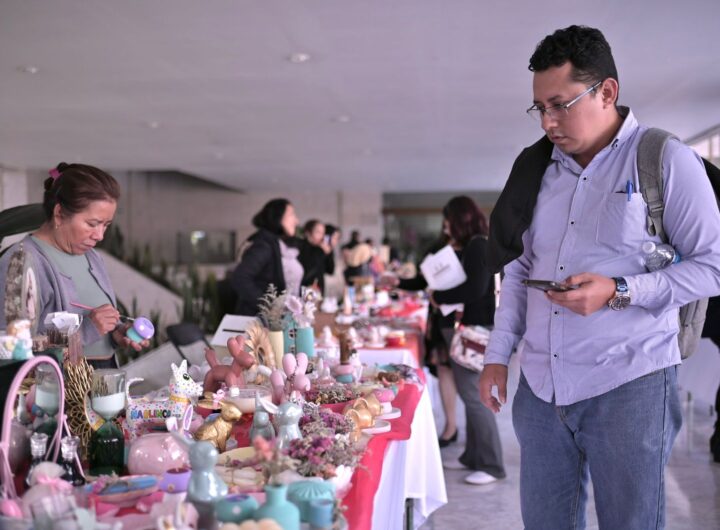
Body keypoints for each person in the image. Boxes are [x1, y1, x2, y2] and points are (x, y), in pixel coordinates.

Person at [480, 26, 720, 529]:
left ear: (607, 92)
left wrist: (621, 291)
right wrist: (498, 356)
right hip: (542, 390)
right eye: (539, 108)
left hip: (630, 384)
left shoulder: (666, 160)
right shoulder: (537, 170)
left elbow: (712, 266)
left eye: (560, 104)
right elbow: (520, 267)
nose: (547, 122)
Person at [0, 163, 150, 368]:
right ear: (60, 213)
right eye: (92, 224)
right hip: (55, 393)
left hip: (101, 384)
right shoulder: (21, 262)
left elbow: (95, 336)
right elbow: (9, 347)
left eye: (106, 225)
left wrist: (115, 334)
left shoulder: (91, 257)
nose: (100, 236)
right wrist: (86, 331)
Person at [429, 196, 504, 485]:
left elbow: (474, 289)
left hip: (476, 327)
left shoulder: (477, 245)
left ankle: (491, 463)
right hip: (474, 326)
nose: (446, 226)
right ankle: (473, 457)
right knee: (470, 392)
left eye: (448, 219)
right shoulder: (479, 244)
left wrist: (439, 297)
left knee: (474, 395)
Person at [384, 232, 459, 447]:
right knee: (445, 371)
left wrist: (438, 297)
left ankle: (473, 445)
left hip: (454, 321)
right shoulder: (445, 248)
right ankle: (451, 428)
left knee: (466, 387)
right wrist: (399, 281)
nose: (447, 229)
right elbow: (422, 281)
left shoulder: (473, 248)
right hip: (441, 320)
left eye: (450, 225)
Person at [231, 198, 302, 315]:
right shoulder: (264, 244)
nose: (296, 221)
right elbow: (240, 278)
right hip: (256, 322)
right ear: (277, 217)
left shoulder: (271, 241)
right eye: (292, 215)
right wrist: (269, 306)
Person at [298, 219, 332, 293]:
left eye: (323, 233)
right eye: (318, 232)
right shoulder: (301, 247)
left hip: (318, 291)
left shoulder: (320, 249)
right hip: (304, 291)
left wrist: (328, 254)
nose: (321, 236)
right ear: (308, 233)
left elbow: (330, 270)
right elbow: (308, 270)